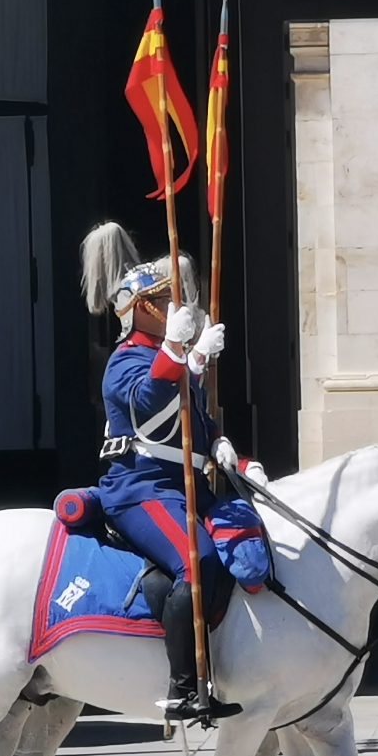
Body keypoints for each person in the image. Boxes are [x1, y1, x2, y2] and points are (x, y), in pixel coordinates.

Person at [81, 221, 251, 723]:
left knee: (247, 543)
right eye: (164, 303)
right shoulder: (126, 361)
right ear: (144, 310)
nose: (176, 310)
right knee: (196, 563)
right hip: (139, 488)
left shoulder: (164, 359)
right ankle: (182, 686)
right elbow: (148, 413)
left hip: (185, 485)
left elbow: (195, 424)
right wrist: (185, 355)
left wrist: (231, 455)